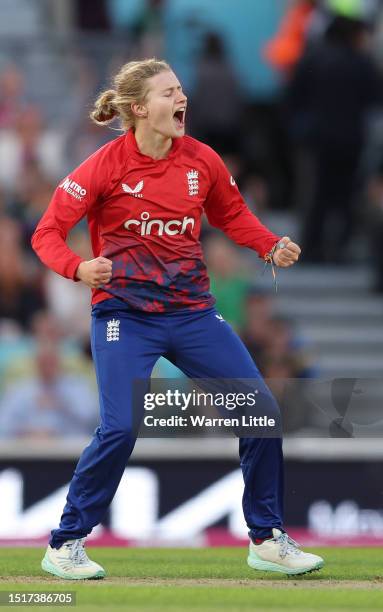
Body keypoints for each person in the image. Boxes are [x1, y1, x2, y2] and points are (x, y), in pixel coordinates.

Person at [31, 58, 323, 580]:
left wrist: (269, 244)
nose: (180, 99)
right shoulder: (104, 165)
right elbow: (46, 233)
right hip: (125, 315)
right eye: (168, 93)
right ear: (140, 108)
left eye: (180, 90)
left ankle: (267, 538)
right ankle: (66, 542)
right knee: (120, 427)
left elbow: (231, 213)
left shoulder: (201, 161)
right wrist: (78, 267)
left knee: (260, 414)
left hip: (192, 315)